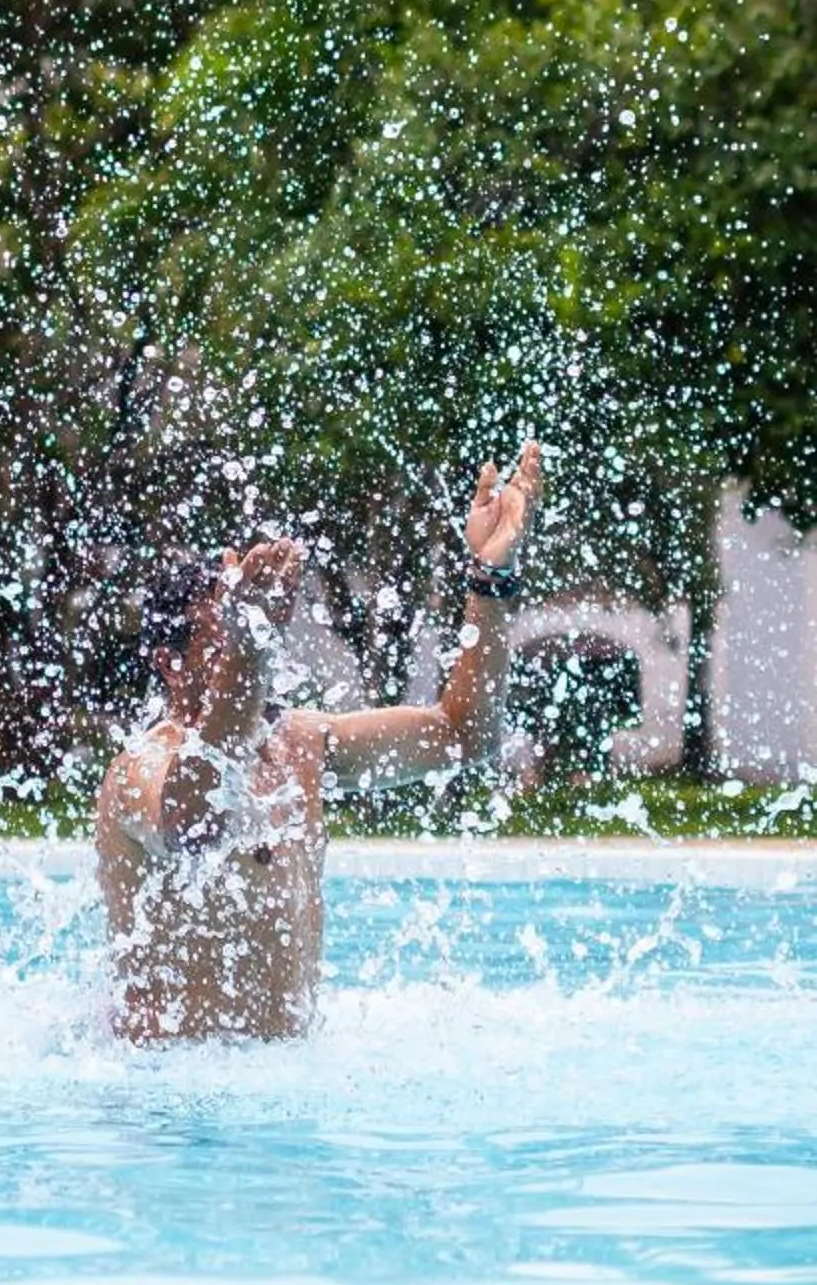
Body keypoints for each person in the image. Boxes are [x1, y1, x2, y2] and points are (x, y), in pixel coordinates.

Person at [96, 444, 544, 1043]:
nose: (256, 640)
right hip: (165, 1103)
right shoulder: (137, 769)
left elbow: (466, 734)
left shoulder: (300, 744)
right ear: (171, 664)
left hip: (278, 1099)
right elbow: (194, 822)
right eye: (228, 630)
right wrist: (249, 648)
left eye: (258, 624)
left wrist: (490, 581)